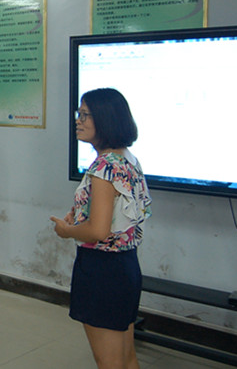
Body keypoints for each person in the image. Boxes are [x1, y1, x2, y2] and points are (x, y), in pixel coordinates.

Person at [50, 88, 151, 369]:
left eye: (85, 115)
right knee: (126, 358)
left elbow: (98, 231)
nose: (78, 121)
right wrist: (80, 217)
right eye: (78, 114)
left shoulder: (104, 167)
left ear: (106, 119)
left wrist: (66, 230)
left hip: (102, 271)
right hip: (125, 267)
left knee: (109, 361)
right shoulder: (127, 159)